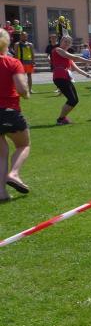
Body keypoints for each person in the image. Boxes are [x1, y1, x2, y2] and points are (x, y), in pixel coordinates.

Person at [0, 29, 31, 201]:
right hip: (9, 111)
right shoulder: (12, 63)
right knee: (23, 145)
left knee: (1, 153)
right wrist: (26, 94)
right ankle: (14, 174)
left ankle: (1, 192)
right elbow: (21, 89)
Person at [51, 34, 91, 125]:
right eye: (65, 41)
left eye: (69, 42)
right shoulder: (58, 50)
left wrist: (89, 76)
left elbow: (77, 69)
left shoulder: (67, 56)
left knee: (74, 100)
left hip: (65, 78)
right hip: (60, 77)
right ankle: (60, 119)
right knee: (72, 100)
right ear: (61, 42)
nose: (66, 43)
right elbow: (75, 58)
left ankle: (62, 118)